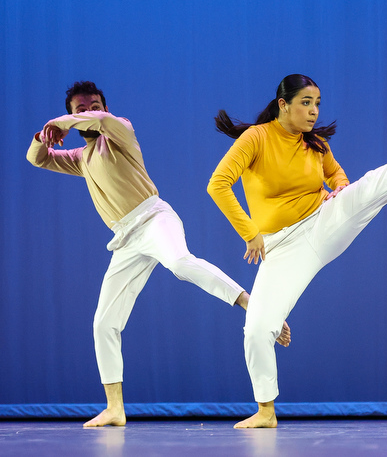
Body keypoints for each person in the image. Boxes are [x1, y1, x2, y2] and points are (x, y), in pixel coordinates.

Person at [207, 74, 387, 428]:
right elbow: (218, 184)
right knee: (257, 329)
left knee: (372, 187)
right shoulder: (256, 138)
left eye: (317, 103)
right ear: (283, 104)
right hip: (282, 247)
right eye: (306, 103)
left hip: (323, 221)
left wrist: (341, 190)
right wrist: (250, 232)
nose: (314, 111)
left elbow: (337, 176)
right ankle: (266, 411)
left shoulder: (314, 143)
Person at [26, 81, 291, 427]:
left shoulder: (119, 132)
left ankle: (247, 301)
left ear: (104, 108)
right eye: (81, 109)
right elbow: (38, 159)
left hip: (153, 218)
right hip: (125, 240)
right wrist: (43, 136)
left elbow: (106, 122)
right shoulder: (81, 157)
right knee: (104, 323)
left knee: (180, 262)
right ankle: (115, 408)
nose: (89, 113)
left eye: (95, 106)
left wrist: (66, 121)